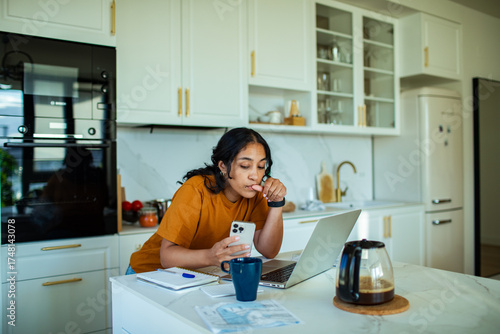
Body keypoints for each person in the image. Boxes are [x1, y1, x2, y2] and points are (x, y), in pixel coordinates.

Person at [128, 127, 287, 274]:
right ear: (223, 166)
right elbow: (167, 257)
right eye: (245, 165)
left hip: (193, 275)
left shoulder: (253, 193)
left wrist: (276, 203)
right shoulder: (195, 190)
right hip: (148, 273)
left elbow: (269, 251)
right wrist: (210, 257)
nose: (255, 176)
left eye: (261, 166)